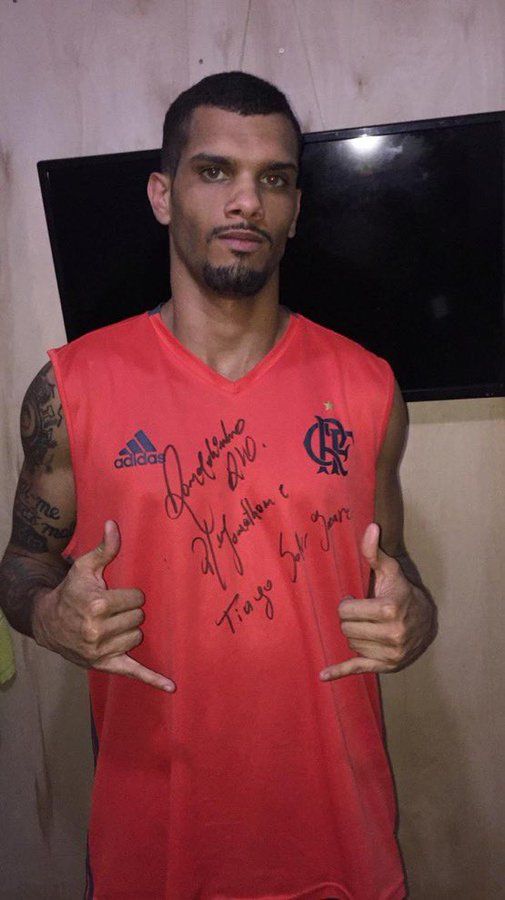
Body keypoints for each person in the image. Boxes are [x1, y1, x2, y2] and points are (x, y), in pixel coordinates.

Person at [0, 72, 436, 900]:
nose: (247, 201)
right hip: (154, 843)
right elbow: (22, 562)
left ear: (296, 209)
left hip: (337, 840)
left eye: (273, 179)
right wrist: (51, 614)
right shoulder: (71, 387)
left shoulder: (368, 385)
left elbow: (394, 567)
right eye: (214, 172)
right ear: (162, 194)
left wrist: (414, 613)